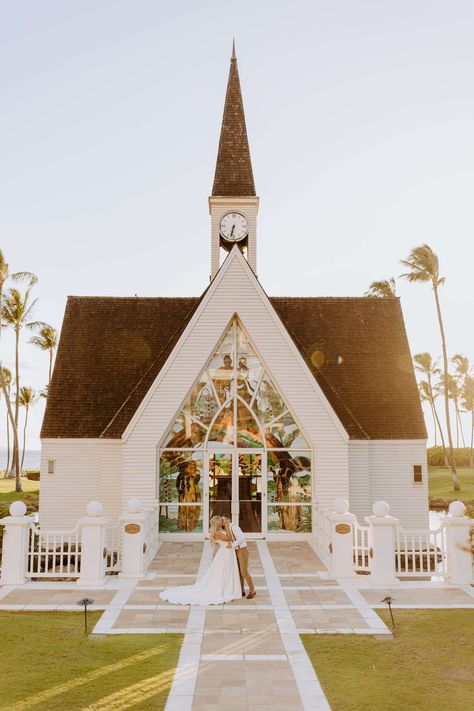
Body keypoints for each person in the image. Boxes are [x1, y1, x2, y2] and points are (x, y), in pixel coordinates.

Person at [159, 516, 242, 605]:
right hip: (225, 553)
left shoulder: (219, 531)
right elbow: (230, 538)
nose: (222, 522)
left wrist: (226, 527)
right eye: (221, 521)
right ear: (217, 523)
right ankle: (225, 590)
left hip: (228, 552)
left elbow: (230, 538)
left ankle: (230, 590)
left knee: (228, 571)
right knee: (225, 572)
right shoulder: (217, 533)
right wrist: (227, 525)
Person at [221, 513, 255, 599]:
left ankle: (252, 590)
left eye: (223, 520)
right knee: (239, 572)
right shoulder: (228, 528)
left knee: (244, 572)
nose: (222, 521)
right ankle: (242, 590)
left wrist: (232, 545)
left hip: (242, 550)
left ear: (228, 520)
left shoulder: (234, 527)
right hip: (236, 551)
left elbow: (241, 538)